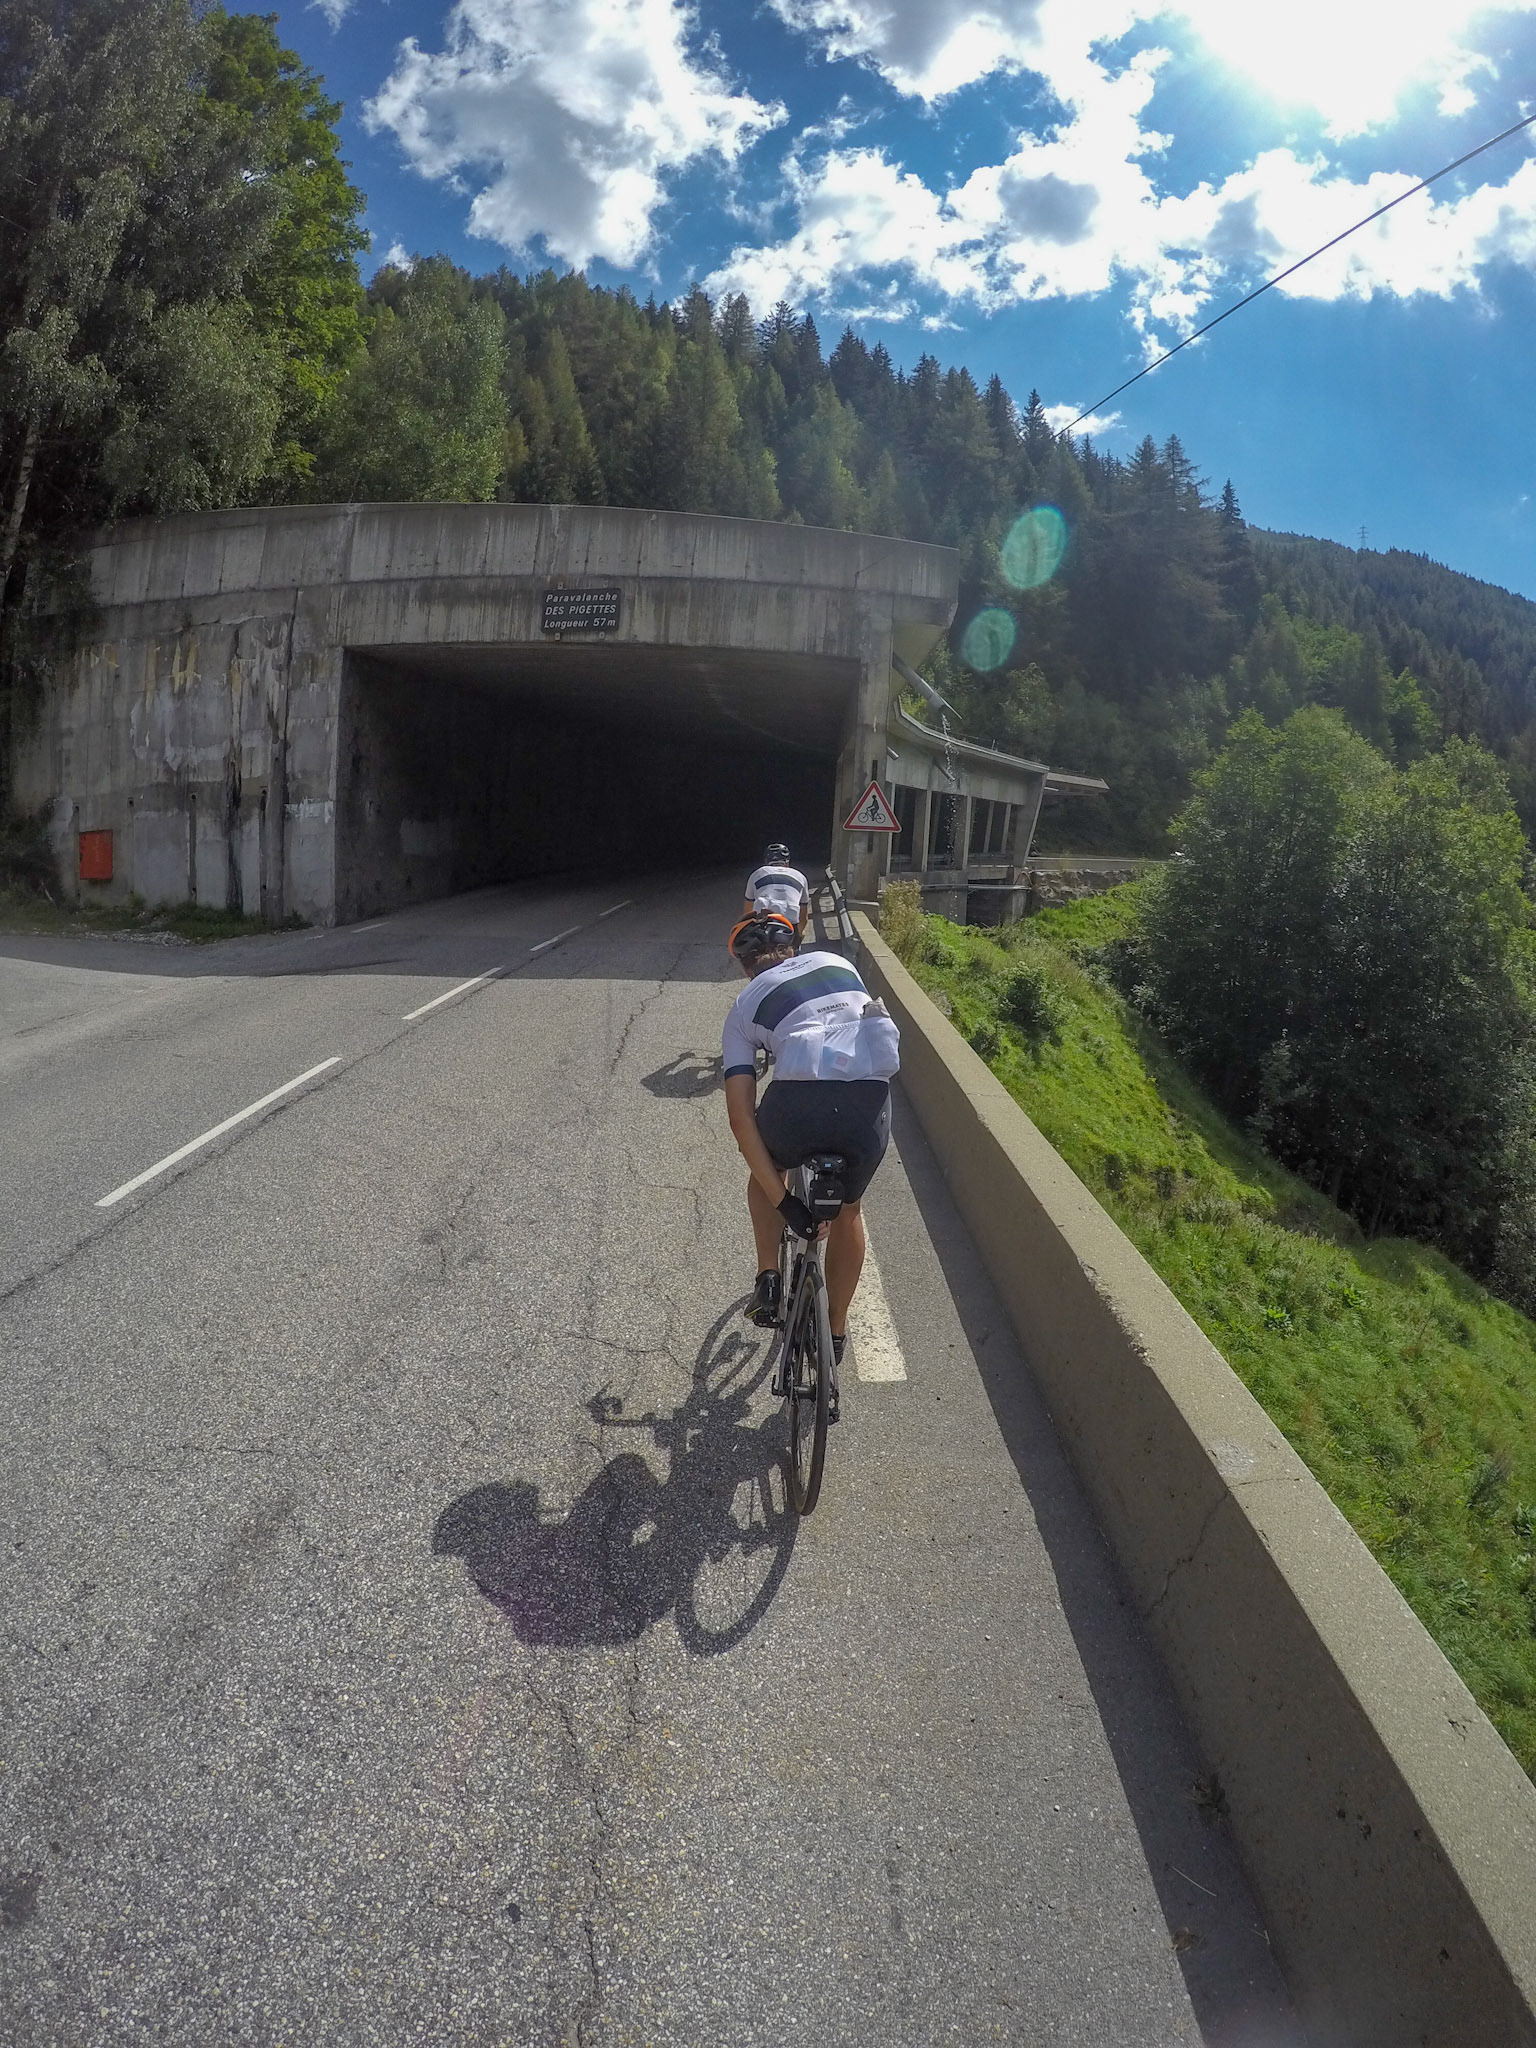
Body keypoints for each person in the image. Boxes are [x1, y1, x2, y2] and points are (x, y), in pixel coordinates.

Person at [721, 914, 900, 1382]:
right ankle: (834, 1333)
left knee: (768, 1167)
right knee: (849, 1210)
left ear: (744, 967)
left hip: (797, 1112)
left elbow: (740, 1118)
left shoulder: (743, 1007)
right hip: (865, 1108)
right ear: (794, 949)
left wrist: (786, 1203)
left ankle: (768, 1278)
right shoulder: (838, 964)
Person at [741, 842, 810, 944]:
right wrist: (799, 936)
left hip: (763, 922)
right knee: (795, 941)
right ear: (787, 862)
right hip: (789, 925)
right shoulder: (800, 876)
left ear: (766, 861)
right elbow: (803, 917)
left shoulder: (757, 873)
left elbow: (748, 911)